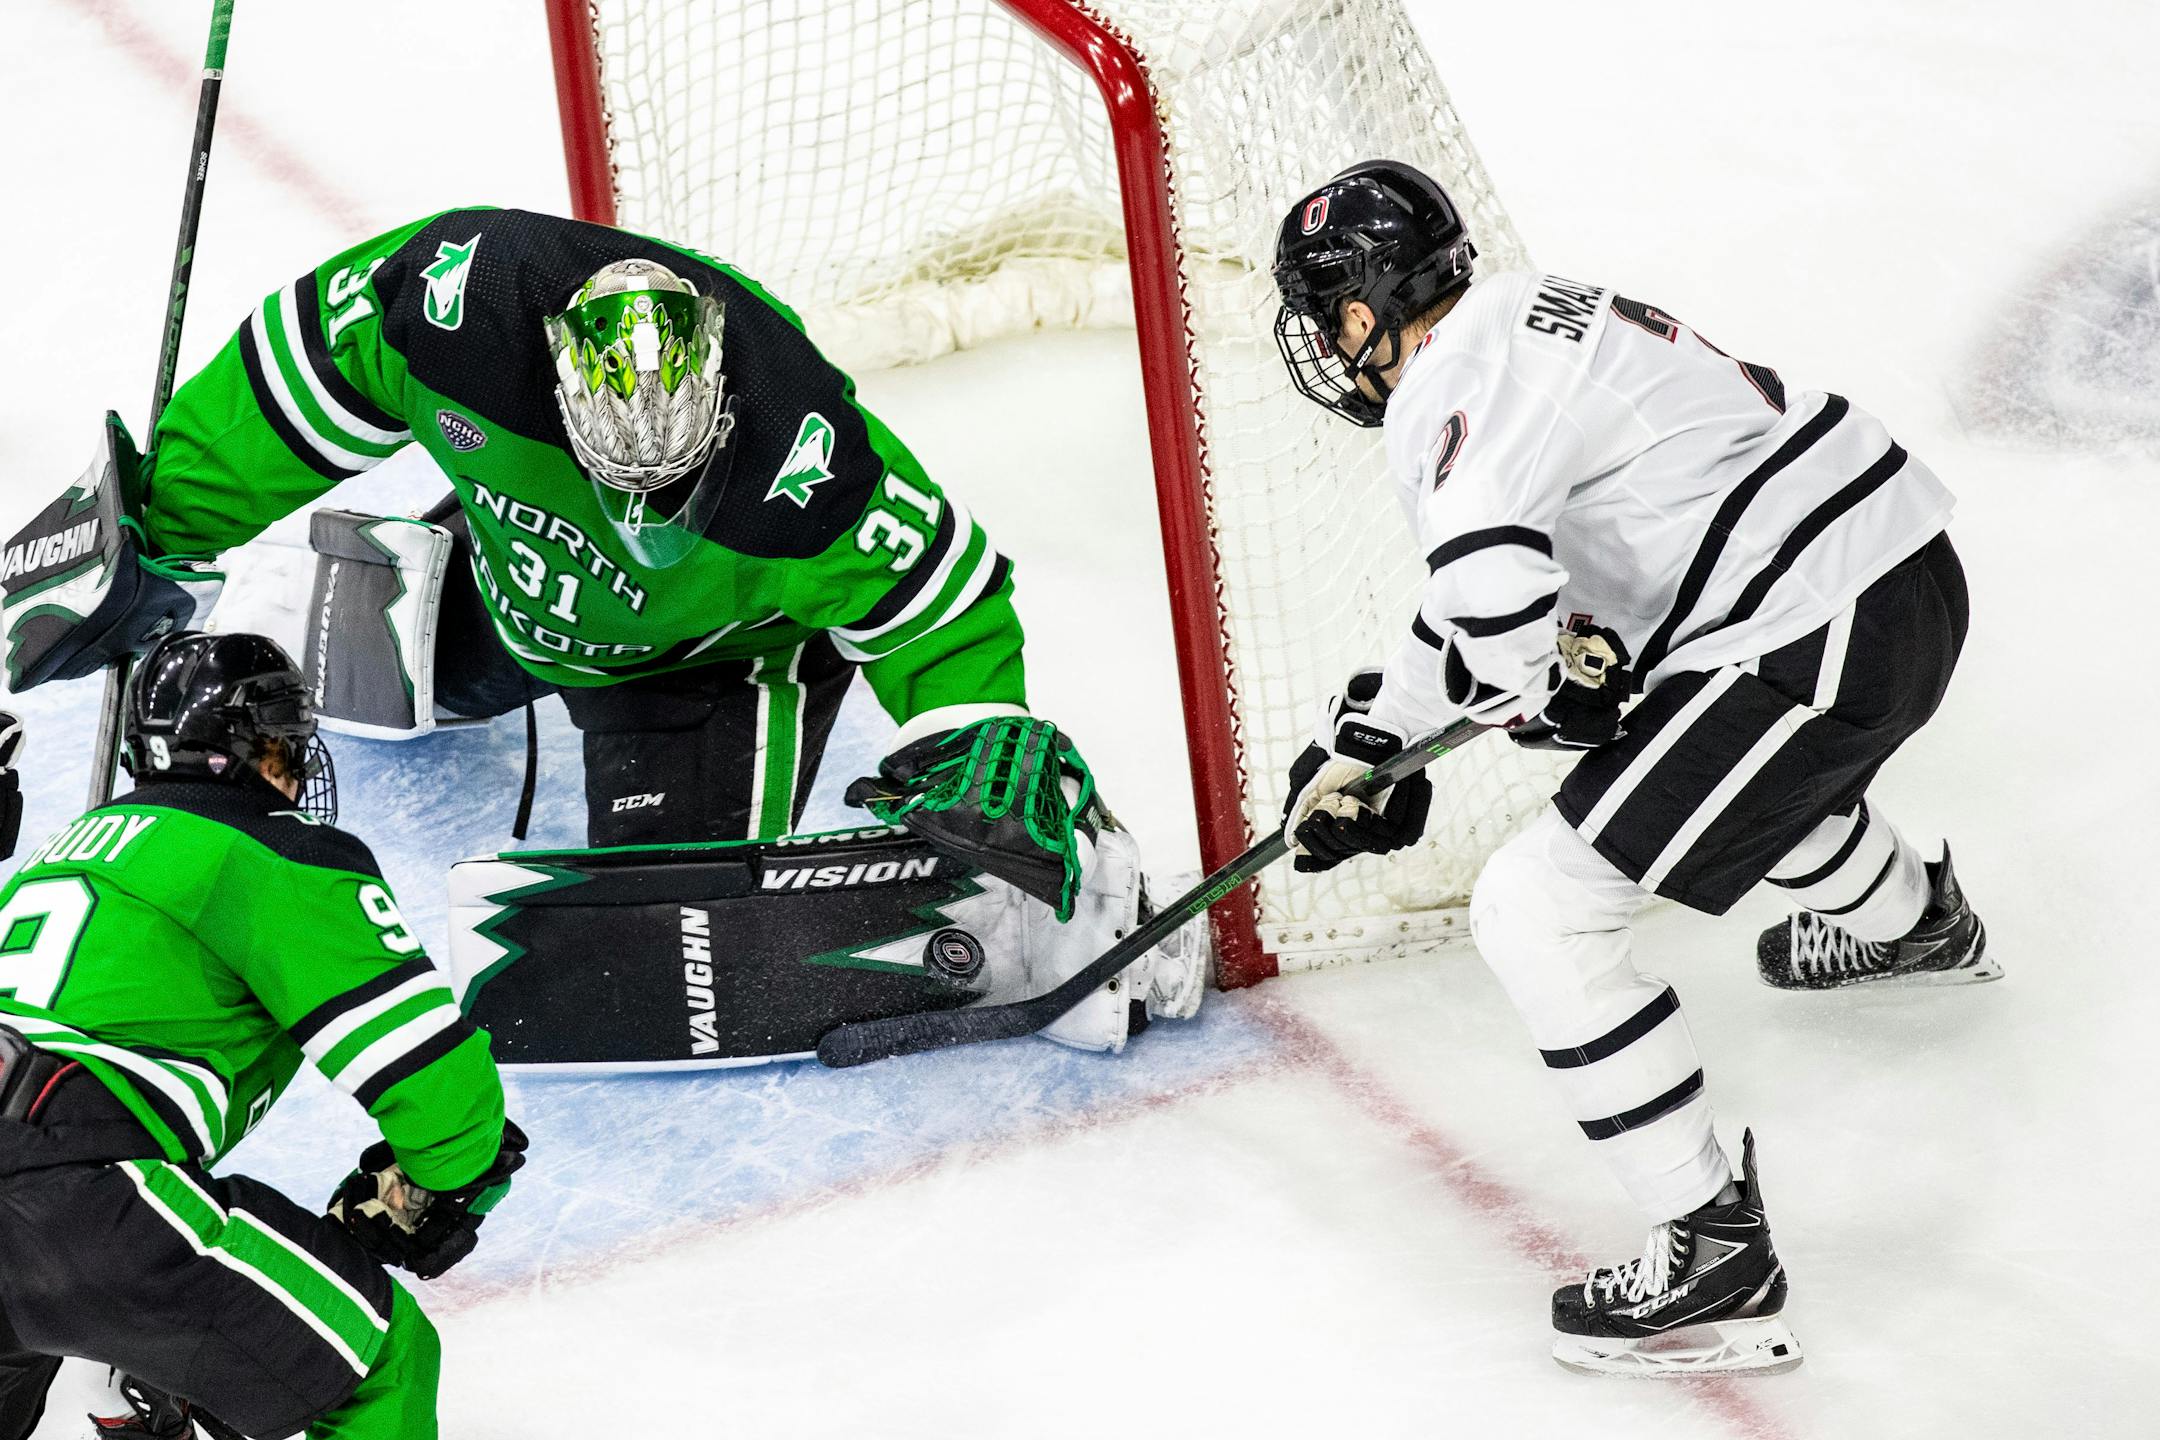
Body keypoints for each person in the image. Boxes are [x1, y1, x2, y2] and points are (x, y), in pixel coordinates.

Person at [0, 205, 1201, 1058]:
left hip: (698, 668)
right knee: (337, 663)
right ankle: (374, 593)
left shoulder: (804, 454)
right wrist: (161, 524)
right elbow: (301, 366)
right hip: (517, 590)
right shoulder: (462, 301)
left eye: (669, 488)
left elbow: (941, 595)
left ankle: (1078, 910)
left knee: (654, 929)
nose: (644, 518)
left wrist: (978, 729)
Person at [1268, 160, 1991, 1376]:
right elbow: (1491, 609)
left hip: (1809, 635)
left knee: (1537, 910)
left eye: (1326, 318)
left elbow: (1499, 615)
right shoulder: (1527, 313)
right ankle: (1915, 926)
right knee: (1715, 771)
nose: (1330, 349)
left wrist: (1543, 695)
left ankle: (1717, 1264)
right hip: (1898, 575)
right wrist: (1375, 745)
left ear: (1360, 313)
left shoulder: (1442, 393)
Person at [0, 631, 525, 1439]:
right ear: (249, 745)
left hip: (48, 1165)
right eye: (284, 740)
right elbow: (432, 1083)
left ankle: (129, 1378)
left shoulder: (62, 853)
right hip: (81, 1188)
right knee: (375, 1362)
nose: (294, 762)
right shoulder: (272, 851)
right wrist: (440, 1182)